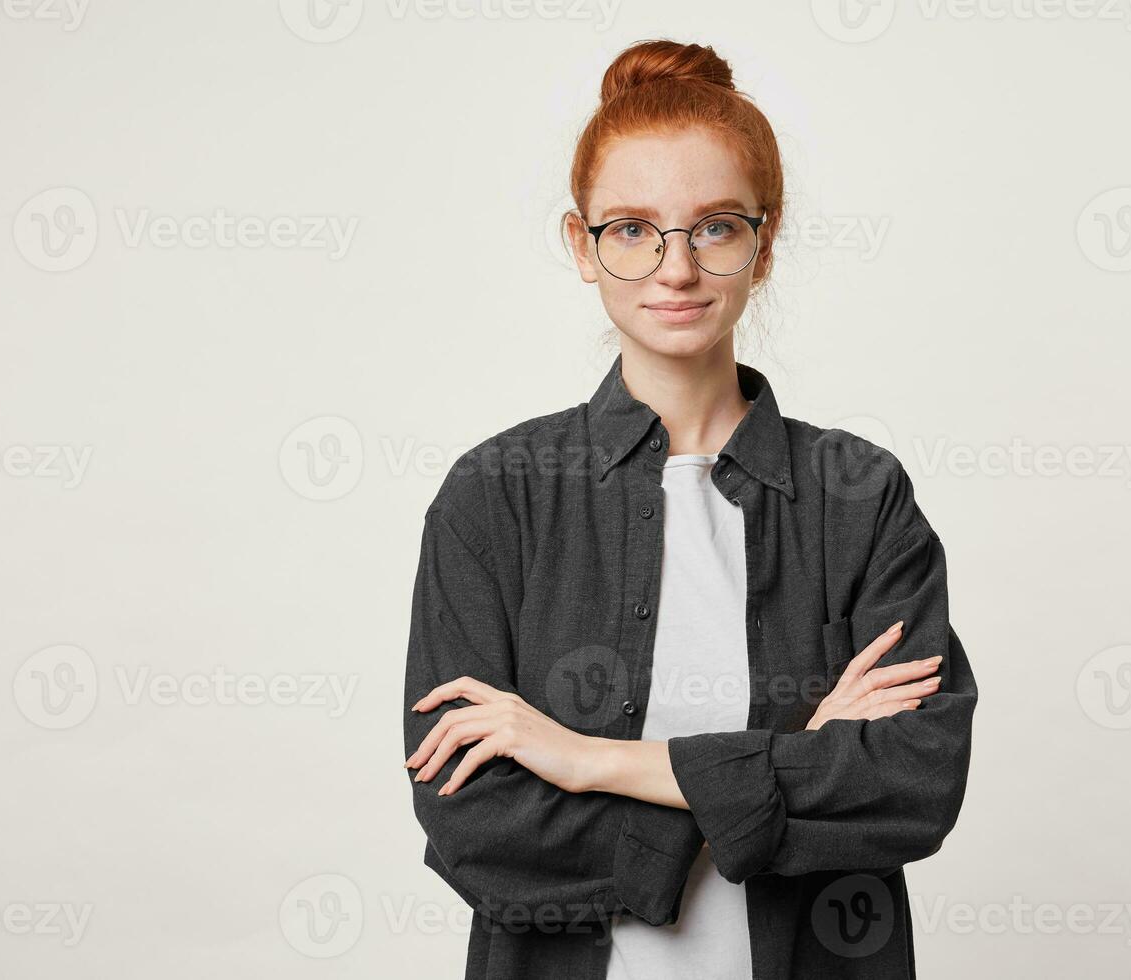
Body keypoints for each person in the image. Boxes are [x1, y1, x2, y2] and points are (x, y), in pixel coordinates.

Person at [403, 38, 979, 980]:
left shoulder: (861, 499)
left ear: (765, 240)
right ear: (579, 247)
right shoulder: (494, 497)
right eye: (630, 228)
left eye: (713, 226)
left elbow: (912, 787)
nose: (674, 268)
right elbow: (473, 828)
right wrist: (786, 772)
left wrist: (586, 760)